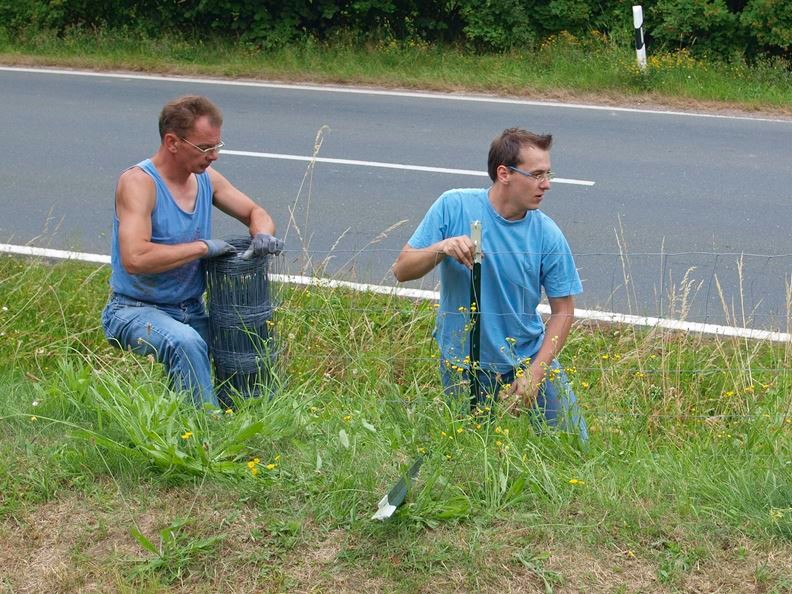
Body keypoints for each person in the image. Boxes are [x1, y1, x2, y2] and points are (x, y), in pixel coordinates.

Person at [392, 128, 587, 440]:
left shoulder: (548, 234)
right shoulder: (453, 206)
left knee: (571, 445)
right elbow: (402, 269)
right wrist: (442, 248)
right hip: (463, 362)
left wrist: (535, 374)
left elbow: (563, 311)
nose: (546, 184)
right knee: (472, 451)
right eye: (536, 174)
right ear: (504, 173)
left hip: (526, 356)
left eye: (548, 174)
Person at [101, 95, 283, 409]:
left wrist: (263, 234)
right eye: (204, 148)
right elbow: (135, 258)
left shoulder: (206, 179)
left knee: (240, 345)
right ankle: (208, 438)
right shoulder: (139, 184)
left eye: (217, 146)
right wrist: (202, 248)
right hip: (134, 310)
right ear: (172, 142)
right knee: (186, 344)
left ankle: (247, 419)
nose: (214, 156)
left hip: (190, 310)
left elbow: (256, 212)